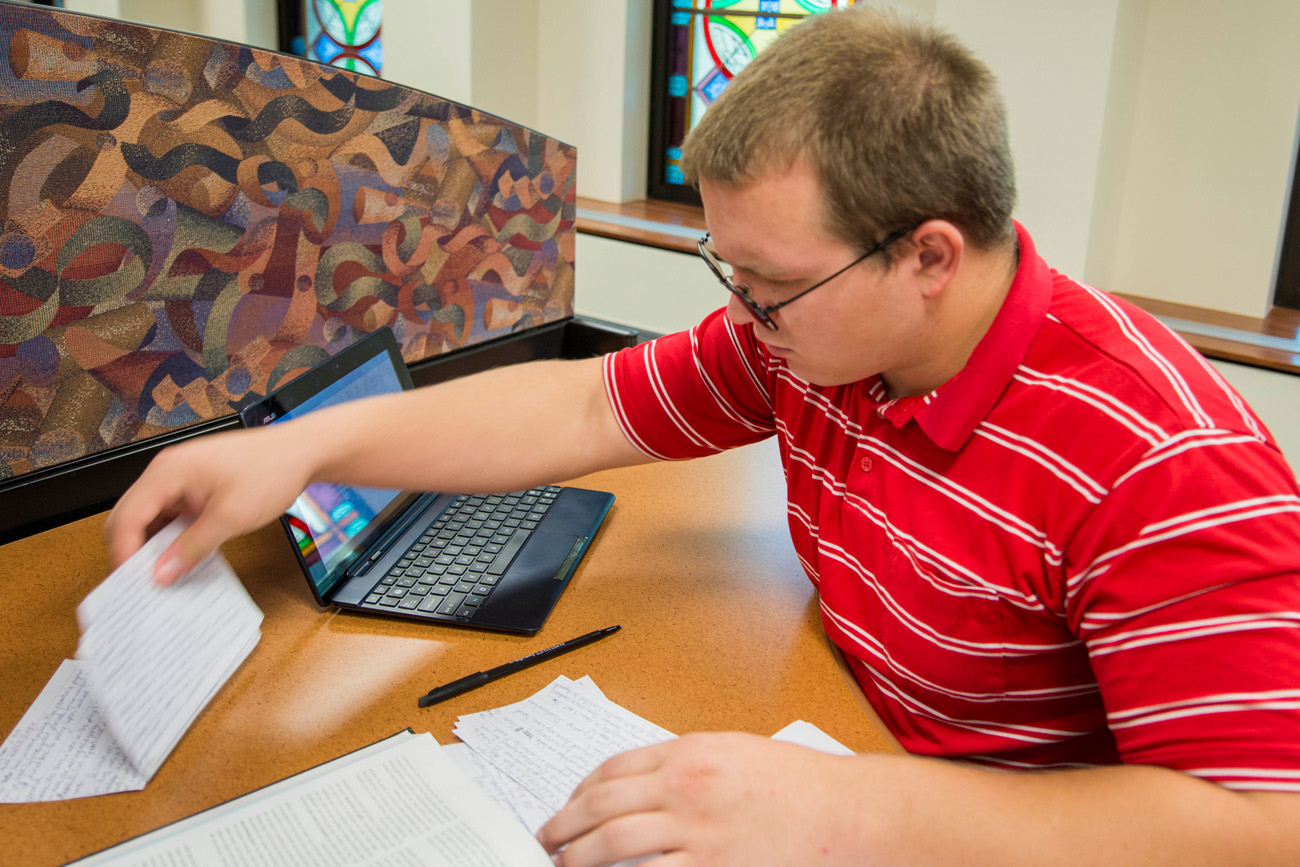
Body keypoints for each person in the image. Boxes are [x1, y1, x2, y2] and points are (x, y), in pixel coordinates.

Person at [106, 7, 1300, 865]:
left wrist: (855, 814)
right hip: (857, 731)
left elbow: (1263, 827)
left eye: (769, 284)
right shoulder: (819, 342)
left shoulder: (1165, 463)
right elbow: (579, 406)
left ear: (929, 254)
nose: (741, 316)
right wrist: (306, 449)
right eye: (724, 268)